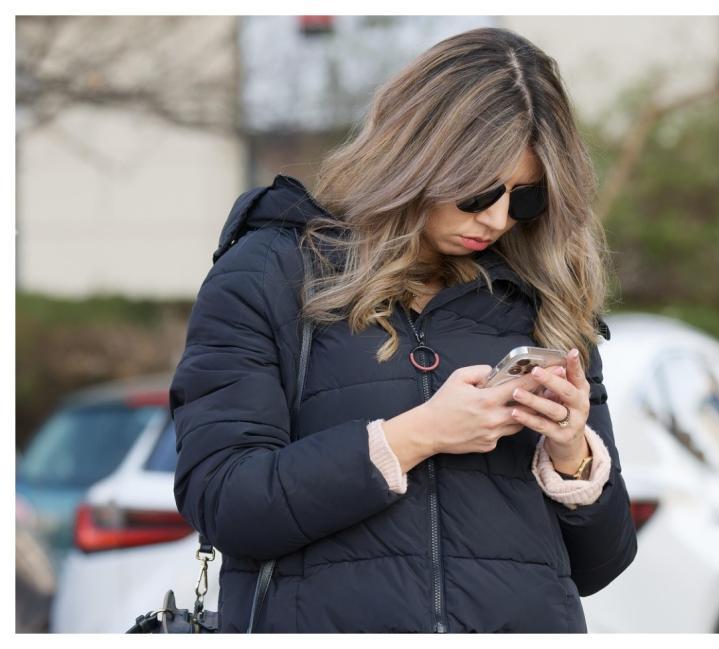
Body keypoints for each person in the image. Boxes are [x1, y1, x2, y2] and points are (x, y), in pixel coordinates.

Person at [169, 26, 637, 633]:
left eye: (524, 199)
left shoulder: (540, 301)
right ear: (416, 158)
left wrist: (571, 454)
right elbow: (222, 500)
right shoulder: (269, 274)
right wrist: (414, 437)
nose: (497, 219)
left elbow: (600, 564)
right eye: (478, 191)